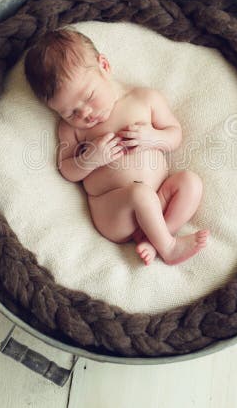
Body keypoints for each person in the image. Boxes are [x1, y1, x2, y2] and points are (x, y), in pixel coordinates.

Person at [24, 27, 209, 265]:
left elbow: (175, 135)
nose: (86, 114)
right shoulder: (71, 129)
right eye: (70, 112)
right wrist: (90, 159)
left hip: (158, 199)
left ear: (105, 66)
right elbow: (67, 169)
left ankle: (157, 239)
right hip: (116, 213)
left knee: (190, 182)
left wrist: (154, 137)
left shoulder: (144, 99)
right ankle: (169, 247)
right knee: (140, 194)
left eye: (89, 97)